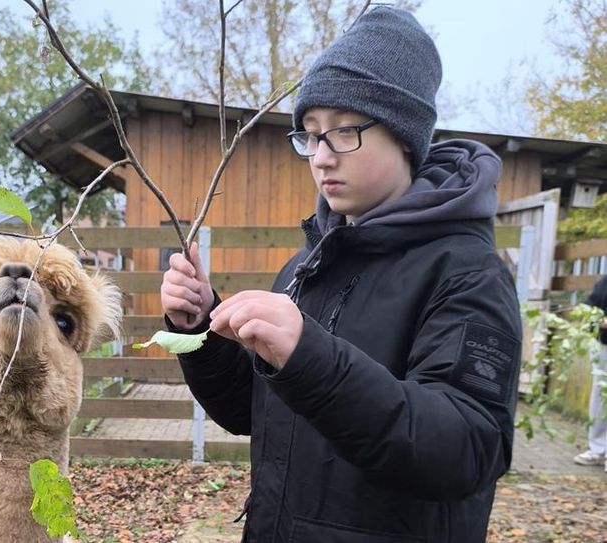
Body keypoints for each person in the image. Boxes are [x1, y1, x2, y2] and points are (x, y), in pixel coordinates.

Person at [160, 7, 522, 543]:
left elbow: (467, 448)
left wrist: (311, 357)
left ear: (403, 134)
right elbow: (253, 413)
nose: (321, 158)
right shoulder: (307, 266)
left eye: (344, 131)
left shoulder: (467, 272)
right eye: (310, 135)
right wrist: (202, 326)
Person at [573, 275, 607, 470]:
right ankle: (597, 449)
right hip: (604, 346)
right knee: (600, 398)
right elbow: (590, 307)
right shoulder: (604, 283)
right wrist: (594, 318)